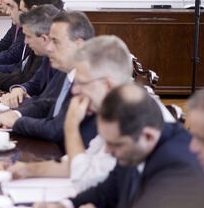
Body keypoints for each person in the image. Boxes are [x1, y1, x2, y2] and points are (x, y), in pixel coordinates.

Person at [31, 83, 204, 208]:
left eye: (115, 144)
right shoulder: (134, 144)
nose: (107, 150)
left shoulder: (179, 167)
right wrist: (65, 207)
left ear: (148, 136)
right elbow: (108, 190)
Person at [10, 36, 132, 190]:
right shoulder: (113, 109)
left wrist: (71, 126)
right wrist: (26, 169)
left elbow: (83, 178)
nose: (74, 90)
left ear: (107, 85)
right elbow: (83, 162)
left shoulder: (131, 120)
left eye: (82, 83)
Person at [0, 11, 97, 150]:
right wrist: (15, 114)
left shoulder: (90, 82)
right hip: (52, 149)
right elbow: (47, 104)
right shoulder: (66, 71)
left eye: (55, 41)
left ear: (79, 44)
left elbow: (56, 129)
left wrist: (16, 122)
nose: (49, 47)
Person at [0, 4, 55, 90]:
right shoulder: (40, 51)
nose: (25, 41)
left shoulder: (48, 56)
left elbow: (26, 80)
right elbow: (27, 79)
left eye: (21, 10)